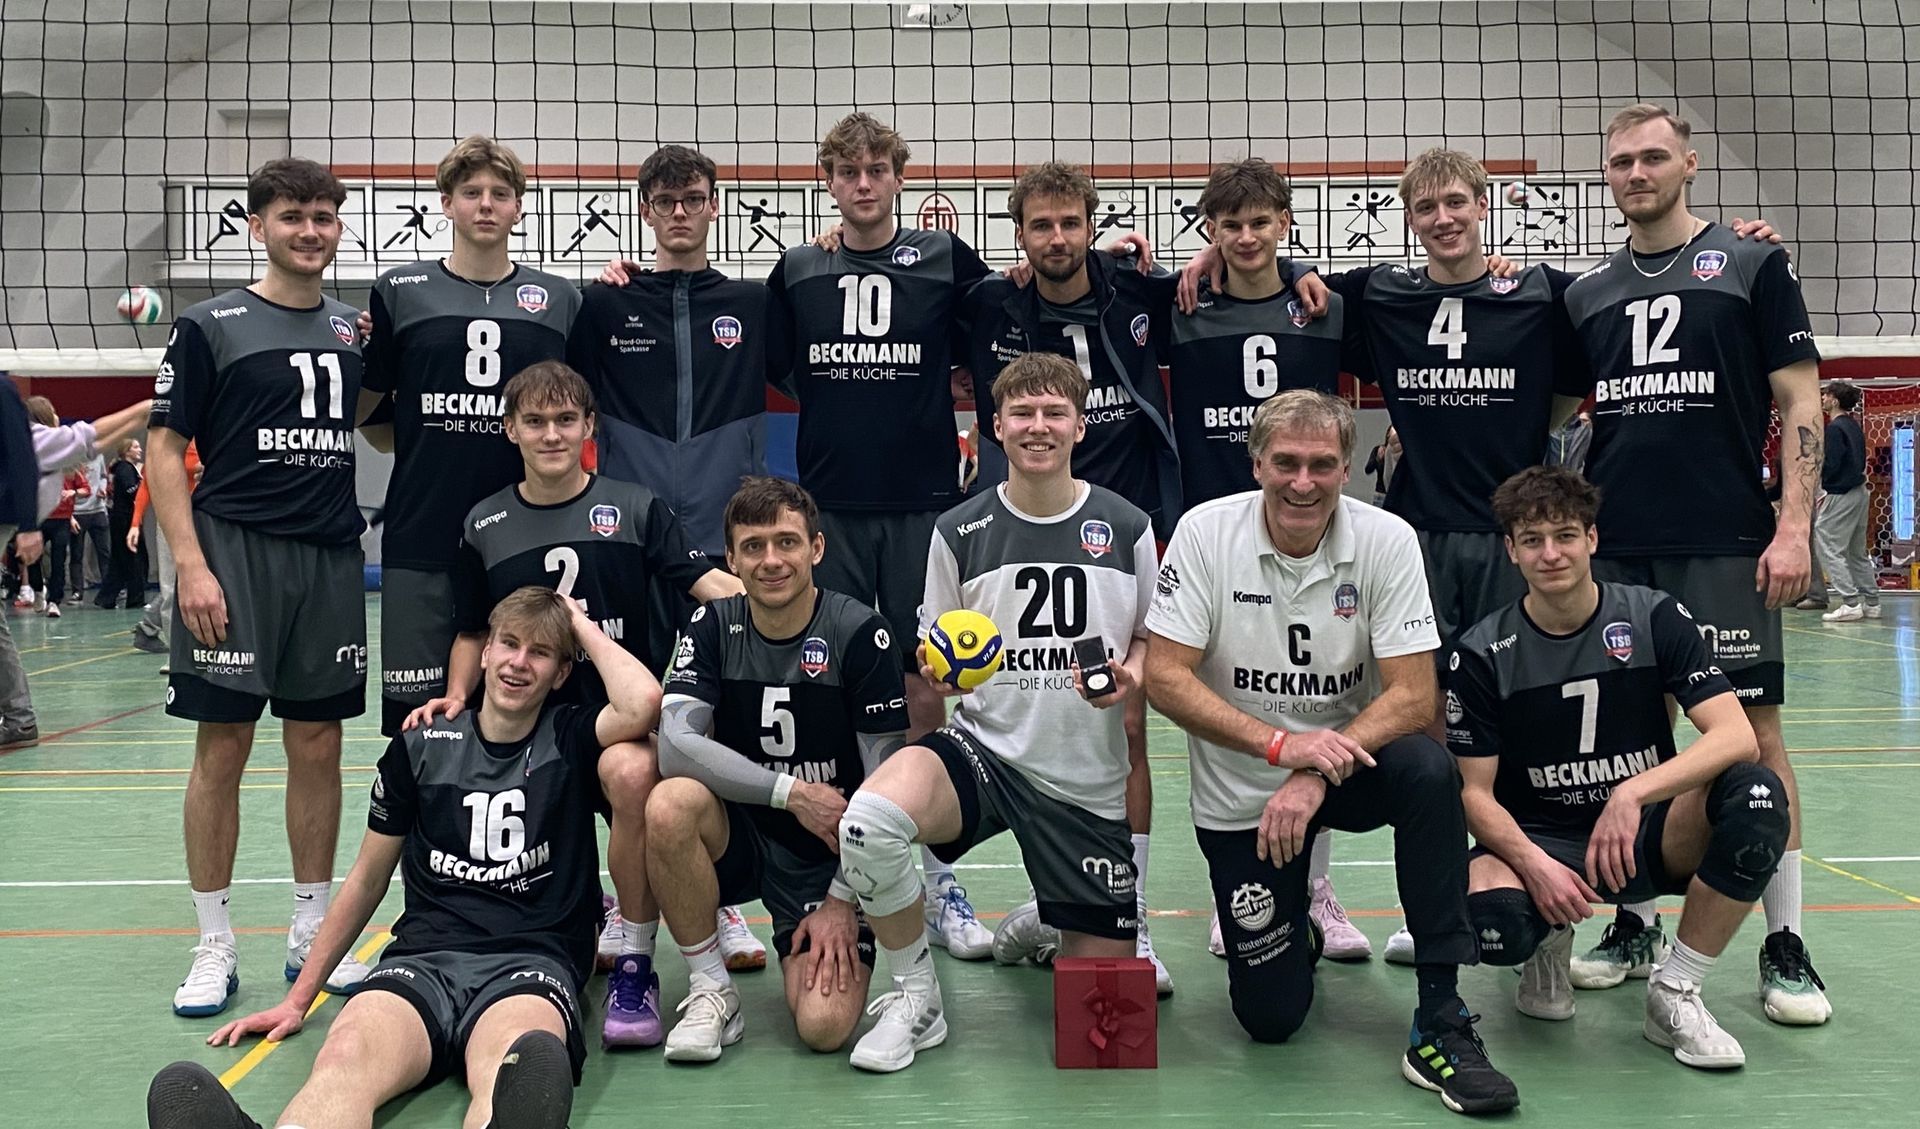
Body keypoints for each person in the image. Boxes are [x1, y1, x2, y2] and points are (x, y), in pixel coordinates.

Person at [145, 587, 663, 1129]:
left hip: (529, 962)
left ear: (561, 674)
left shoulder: (570, 736)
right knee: (345, 1057)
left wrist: (576, 624)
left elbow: (643, 703)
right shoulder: (421, 746)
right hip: (422, 960)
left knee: (512, 1065)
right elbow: (367, 879)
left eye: (540, 653)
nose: (519, 662)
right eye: (509, 644)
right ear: (485, 652)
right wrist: (298, 1000)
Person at [1144, 390, 1518, 1115]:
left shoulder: (1386, 538)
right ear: (1256, 463)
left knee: (1428, 770)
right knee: (1271, 1019)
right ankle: (1297, 929)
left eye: (1321, 465)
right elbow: (1164, 676)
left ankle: (1440, 1016)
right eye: (1285, 462)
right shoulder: (1204, 532)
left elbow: (1415, 695)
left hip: (1348, 769)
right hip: (1246, 794)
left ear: (1347, 469)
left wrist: (1313, 767)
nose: (1303, 482)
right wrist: (1281, 745)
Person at [1560, 103, 1830, 1024]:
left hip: (1724, 543)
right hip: (1619, 546)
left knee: (1756, 735)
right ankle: (1634, 921)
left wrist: (1793, 528)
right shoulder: (1588, 293)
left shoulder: (1751, 263)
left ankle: (1785, 942)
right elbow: (1548, 399)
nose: (1636, 173)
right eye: (1620, 161)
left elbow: (1801, 400)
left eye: (1653, 157)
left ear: (1691, 164)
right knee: (1630, 737)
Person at [834, 353, 1155, 1073]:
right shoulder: (958, 529)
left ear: (1079, 425)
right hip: (983, 753)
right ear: (995, 426)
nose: (1038, 427)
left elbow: (1150, 637)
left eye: (1054, 413)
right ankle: (917, 998)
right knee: (868, 822)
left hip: (1083, 782)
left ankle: (1050, 917)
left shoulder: (1127, 525)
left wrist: (1131, 673)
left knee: (1105, 1041)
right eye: (1022, 413)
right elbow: (935, 641)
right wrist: (939, 665)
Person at [415, 359, 738, 1048]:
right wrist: (456, 695)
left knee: (632, 771)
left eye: (566, 419)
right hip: (532, 729)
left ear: (590, 425)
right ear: (510, 429)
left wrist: (793, 605)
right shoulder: (485, 522)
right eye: (535, 421)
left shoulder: (636, 505)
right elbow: (472, 629)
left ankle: (636, 959)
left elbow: (703, 582)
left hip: (618, 717)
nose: (552, 434)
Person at [1449, 466, 1788, 1069]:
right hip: (1540, 838)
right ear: (1511, 550)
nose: (1551, 554)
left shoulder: (1653, 616)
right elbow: (1474, 794)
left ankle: (1675, 988)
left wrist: (1631, 794)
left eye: (1565, 536)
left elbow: (1737, 736)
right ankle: (1547, 942)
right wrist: (1536, 866)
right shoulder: (1482, 652)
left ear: (1592, 539)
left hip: (1644, 834)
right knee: (1493, 922)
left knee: (1757, 796)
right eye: (1532, 540)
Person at [765, 112, 997, 959]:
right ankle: (849, 863)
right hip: (828, 507)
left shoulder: (945, 259)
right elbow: (782, 369)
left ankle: (932, 875)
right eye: (848, 171)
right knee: (829, 680)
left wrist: (1118, 256)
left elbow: (1009, 314)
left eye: (877, 170)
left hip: (921, 503)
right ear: (827, 181)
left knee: (922, 682)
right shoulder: (799, 269)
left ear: (900, 177)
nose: (863, 184)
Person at [147, 157, 375, 1017]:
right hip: (235, 553)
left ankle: (311, 929)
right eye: (292, 216)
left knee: (318, 743)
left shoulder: (353, 329)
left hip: (329, 555)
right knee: (224, 744)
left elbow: (385, 422)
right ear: (257, 226)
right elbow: (164, 448)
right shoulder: (210, 325)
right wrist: (191, 564)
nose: (309, 231)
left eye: (323, 216)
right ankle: (213, 941)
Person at [958, 160, 1187, 989]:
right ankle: (1053, 902)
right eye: (1040, 225)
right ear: (1018, 234)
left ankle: (1130, 910)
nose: (1056, 239)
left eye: (1069, 223)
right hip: (1022, 535)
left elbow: (1239, 275)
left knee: (1125, 723)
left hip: (1118, 536)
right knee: (1029, 719)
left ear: (1093, 226)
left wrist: (1288, 267)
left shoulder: (1139, 288)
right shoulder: (990, 304)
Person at [650, 476, 908, 1061]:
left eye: (786, 542)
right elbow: (675, 746)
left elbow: (888, 786)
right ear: (731, 559)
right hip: (741, 832)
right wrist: (790, 792)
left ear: (816, 548)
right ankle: (712, 988)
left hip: (827, 852)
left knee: (824, 1027)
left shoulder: (859, 632)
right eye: (753, 546)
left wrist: (842, 899)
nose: (771, 560)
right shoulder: (711, 625)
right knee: (669, 803)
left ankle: (826, 920)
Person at [360, 135, 582, 738]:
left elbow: (579, 413)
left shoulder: (561, 299)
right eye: (471, 192)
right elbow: (367, 415)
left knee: (527, 718)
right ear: (446, 203)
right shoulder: (399, 291)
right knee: (415, 722)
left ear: (519, 208)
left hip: (526, 535)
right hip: (422, 532)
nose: (486, 204)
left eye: (500, 194)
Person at [1812, 381, 1879, 622]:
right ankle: (1872, 602)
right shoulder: (1853, 425)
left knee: (1827, 542)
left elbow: (1832, 464)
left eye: (1826, 395)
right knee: (1856, 551)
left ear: (1835, 400)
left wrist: (1820, 477)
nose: (1823, 398)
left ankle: (1850, 602)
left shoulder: (1834, 429)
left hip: (1841, 493)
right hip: (1860, 492)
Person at [130, 440, 200, 653]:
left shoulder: (208, 437)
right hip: (171, 519)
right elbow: (148, 483)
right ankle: (175, 656)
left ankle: (150, 625)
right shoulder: (166, 441)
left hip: (204, 517)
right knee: (171, 587)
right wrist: (135, 523)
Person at [0, 375, 40, 748]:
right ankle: (18, 717)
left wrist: (29, 525)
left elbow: (23, 456)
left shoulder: (2, 389)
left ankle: (19, 718)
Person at [69, 452, 110, 604]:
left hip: (97, 510)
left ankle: (108, 589)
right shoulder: (71, 456)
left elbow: (103, 476)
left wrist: (102, 488)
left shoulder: (99, 456)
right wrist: (70, 515)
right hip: (77, 512)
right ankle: (77, 591)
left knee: (104, 552)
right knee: (76, 554)